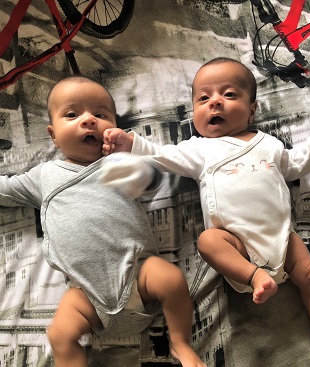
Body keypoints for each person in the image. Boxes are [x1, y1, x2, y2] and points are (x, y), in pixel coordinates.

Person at [101, 57, 310, 359]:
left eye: (229, 95)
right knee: (209, 240)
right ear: (194, 113)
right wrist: (131, 143)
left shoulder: (268, 143)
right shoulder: (200, 149)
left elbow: (296, 164)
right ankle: (254, 275)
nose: (215, 103)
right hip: (237, 245)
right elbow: (163, 155)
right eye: (204, 98)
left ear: (252, 108)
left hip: (282, 238)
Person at [0, 76, 206, 367]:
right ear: (53, 135)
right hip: (85, 292)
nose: (88, 120)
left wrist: (131, 159)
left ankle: (181, 342)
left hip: (137, 273)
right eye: (72, 115)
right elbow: (6, 190)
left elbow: (152, 181)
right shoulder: (43, 176)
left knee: (171, 279)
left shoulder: (114, 164)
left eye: (100, 114)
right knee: (59, 335)